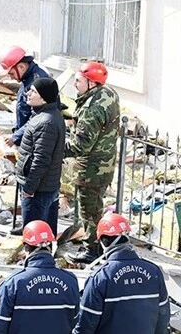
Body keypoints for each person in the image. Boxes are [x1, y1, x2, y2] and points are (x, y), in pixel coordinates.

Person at [73, 213, 170, 334]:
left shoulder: (100, 278)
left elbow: (85, 326)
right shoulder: (154, 271)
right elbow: (163, 317)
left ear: (103, 241)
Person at [65, 62, 121, 264]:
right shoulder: (108, 93)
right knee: (95, 206)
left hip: (91, 168)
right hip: (105, 163)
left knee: (88, 209)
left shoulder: (91, 108)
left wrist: (55, 148)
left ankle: (92, 250)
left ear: (91, 82)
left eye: (78, 80)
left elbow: (80, 146)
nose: (74, 84)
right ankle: (99, 244)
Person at [0, 220, 79, 334]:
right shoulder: (71, 281)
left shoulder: (13, 285)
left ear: (26, 247)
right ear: (51, 246)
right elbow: (76, 323)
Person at [13, 77, 65, 235]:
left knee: (35, 234)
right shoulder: (45, 115)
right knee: (45, 231)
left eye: (33, 91)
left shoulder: (45, 122)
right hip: (45, 186)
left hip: (39, 189)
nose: (28, 93)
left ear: (43, 97)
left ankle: (36, 258)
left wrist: (29, 188)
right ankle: (45, 256)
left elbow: (41, 159)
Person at [0, 46, 50, 147]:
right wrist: (16, 131)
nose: (11, 77)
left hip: (35, 142)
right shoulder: (27, 79)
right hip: (27, 136)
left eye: (12, 73)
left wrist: (16, 136)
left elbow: (38, 118)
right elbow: (24, 109)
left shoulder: (38, 82)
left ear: (21, 67)